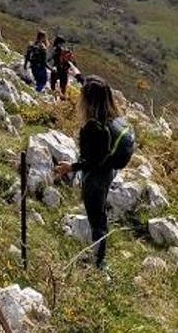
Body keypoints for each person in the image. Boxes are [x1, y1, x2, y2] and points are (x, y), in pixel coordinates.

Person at [54, 75, 127, 271]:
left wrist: (70, 167)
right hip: (109, 171)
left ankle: (100, 262)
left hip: (96, 177)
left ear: (87, 100)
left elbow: (90, 162)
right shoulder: (113, 117)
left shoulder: (91, 128)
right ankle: (98, 254)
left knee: (97, 218)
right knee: (99, 212)